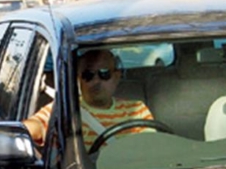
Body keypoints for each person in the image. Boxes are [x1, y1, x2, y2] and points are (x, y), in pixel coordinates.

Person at [23, 49, 153, 149]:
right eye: (88, 75)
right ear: (79, 79)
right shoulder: (63, 110)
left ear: (116, 76)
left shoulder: (137, 110)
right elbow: (36, 126)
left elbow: (153, 148)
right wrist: (17, 131)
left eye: (104, 73)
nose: (96, 81)